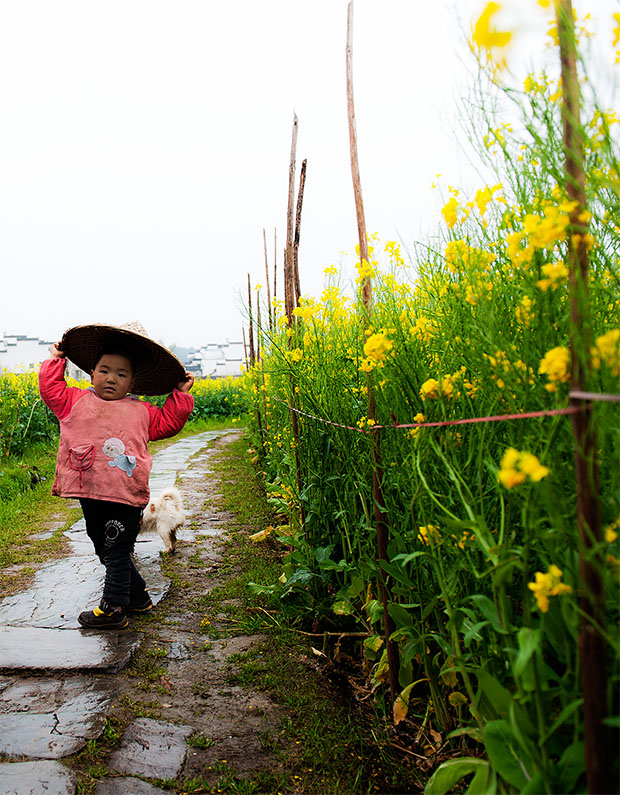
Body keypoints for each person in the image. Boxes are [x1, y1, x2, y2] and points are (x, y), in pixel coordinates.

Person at [38, 322, 195, 630]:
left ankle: (112, 609)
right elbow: (51, 390)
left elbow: (169, 423)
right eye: (105, 370)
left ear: (133, 381)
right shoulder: (73, 401)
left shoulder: (141, 412)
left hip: (125, 495)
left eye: (121, 374)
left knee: (118, 547)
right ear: (91, 374)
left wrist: (179, 395)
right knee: (102, 545)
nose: (112, 378)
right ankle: (136, 597)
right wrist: (56, 360)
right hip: (90, 491)